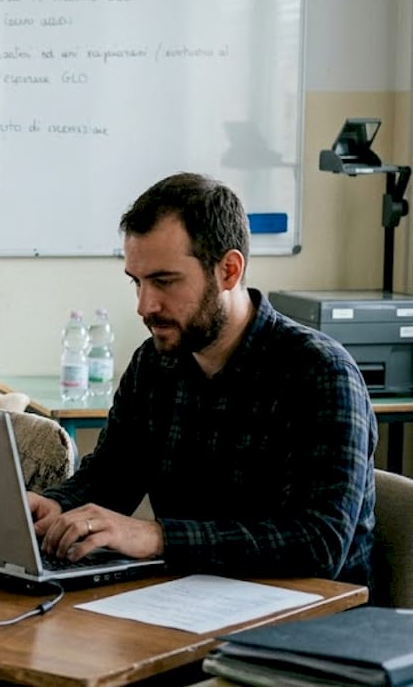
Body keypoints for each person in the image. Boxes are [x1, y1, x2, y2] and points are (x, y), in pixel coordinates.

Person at [29, 172, 376, 587]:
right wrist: (54, 505)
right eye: (136, 282)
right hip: (187, 601)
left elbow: (318, 544)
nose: (144, 305)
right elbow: (111, 475)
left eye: (164, 281)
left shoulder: (320, 373)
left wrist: (157, 537)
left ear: (228, 271)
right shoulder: (154, 364)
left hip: (306, 625)